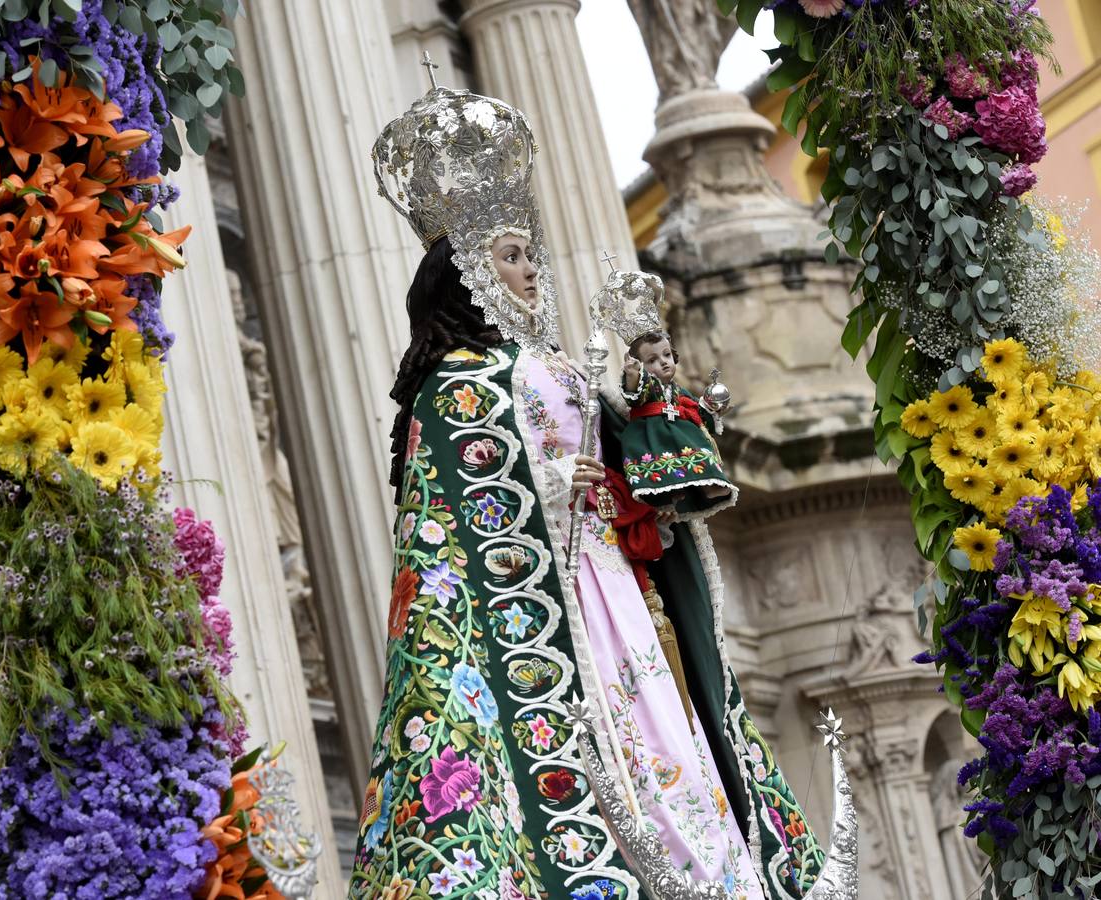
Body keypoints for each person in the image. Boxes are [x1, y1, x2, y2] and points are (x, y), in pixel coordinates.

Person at [352, 81, 822, 900]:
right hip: (539, 601)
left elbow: (631, 461)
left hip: (614, 585)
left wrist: (646, 436)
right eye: (508, 255)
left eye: (531, 253)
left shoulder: (562, 366)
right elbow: (459, 517)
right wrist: (550, 489)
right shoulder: (453, 385)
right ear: (462, 270)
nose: (530, 269)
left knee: (669, 746)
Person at [620, 330, 736, 519]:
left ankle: (708, 485)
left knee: (697, 445)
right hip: (654, 435)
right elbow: (633, 395)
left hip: (679, 430)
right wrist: (632, 375)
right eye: (652, 360)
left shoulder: (678, 390)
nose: (663, 361)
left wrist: (713, 409)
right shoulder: (648, 385)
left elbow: (695, 411)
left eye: (666, 355)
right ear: (642, 367)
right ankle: (667, 492)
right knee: (666, 460)